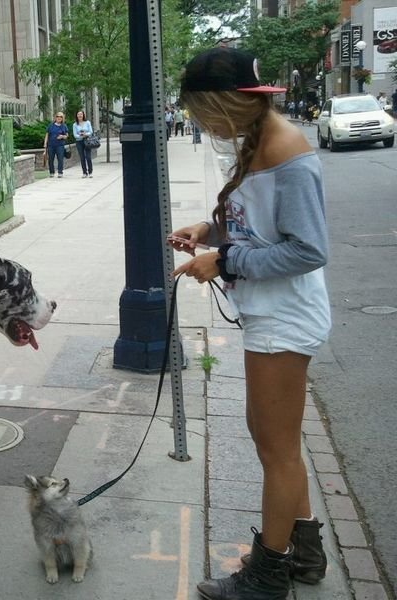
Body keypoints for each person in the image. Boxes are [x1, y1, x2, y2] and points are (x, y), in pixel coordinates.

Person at [169, 47, 331, 600]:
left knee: (276, 451)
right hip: (269, 313)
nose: (201, 125)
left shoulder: (287, 152)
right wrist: (209, 231)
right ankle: (306, 552)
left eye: (200, 114)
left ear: (222, 103)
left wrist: (225, 261)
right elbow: (256, 226)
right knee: (269, 438)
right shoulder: (256, 142)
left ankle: (266, 577)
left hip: (286, 316)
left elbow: (308, 250)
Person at [43, 111, 68, 178]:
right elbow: (47, 135)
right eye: (57, 116)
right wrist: (45, 144)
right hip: (51, 145)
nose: (59, 118)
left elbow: (66, 136)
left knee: (60, 159)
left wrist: (62, 136)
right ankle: (51, 172)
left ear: (62, 118)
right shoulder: (51, 125)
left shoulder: (64, 126)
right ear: (55, 117)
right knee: (50, 159)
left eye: (61, 117)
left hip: (60, 145)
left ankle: (60, 172)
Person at [72, 109, 94, 178]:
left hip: (87, 141)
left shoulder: (87, 122)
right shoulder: (75, 124)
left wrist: (86, 134)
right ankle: (84, 172)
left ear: (83, 115)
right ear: (76, 116)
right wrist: (81, 136)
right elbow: (75, 135)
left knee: (88, 157)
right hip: (79, 142)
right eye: (78, 114)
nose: (80, 115)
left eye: (81, 114)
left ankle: (90, 172)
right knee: (82, 158)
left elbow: (91, 132)